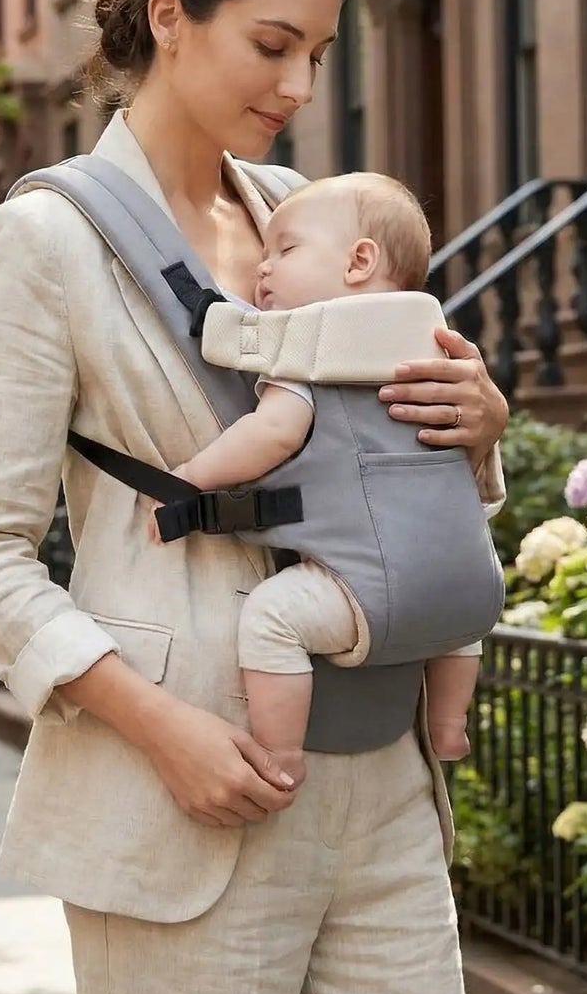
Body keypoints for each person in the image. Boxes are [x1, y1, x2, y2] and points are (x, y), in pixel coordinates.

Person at [0, 0, 509, 994]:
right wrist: (159, 730)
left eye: (317, 52)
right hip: (185, 787)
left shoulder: (313, 214)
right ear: (165, 18)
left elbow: (399, 464)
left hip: (382, 775)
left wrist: (474, 428)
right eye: (271, 45)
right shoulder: (47, 238)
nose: (299, 86)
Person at [162, 170, 494, 790]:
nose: (263, 269)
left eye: (285, 250)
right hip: (469, 587)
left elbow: (271, 435)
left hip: (366, 584)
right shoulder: (439, 348)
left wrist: (190, 478)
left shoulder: (315, 351)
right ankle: (450, 726)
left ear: (359, 261)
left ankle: (283, 753)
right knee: (455, 623)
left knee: (270, 619)